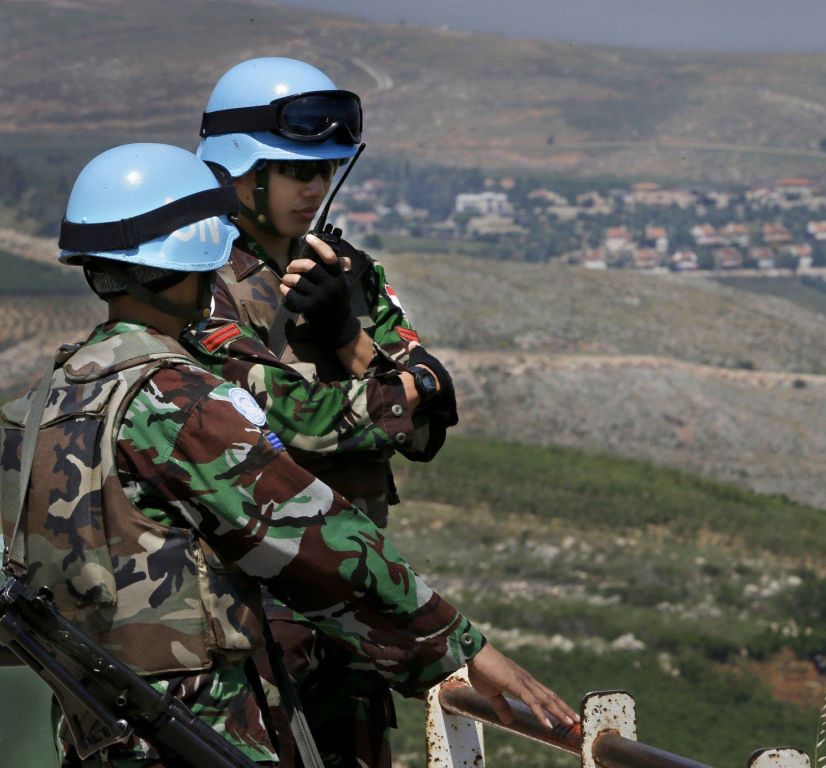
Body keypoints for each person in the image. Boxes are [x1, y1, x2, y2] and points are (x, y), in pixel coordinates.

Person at [0, 143, 577, 767]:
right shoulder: (179, 402)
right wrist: (463, 649)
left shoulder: (34, 409)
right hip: (201, 734)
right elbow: (322, 543)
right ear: (185, 263)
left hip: (92, 736)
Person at [192, 57, 458, 767]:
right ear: (242, 171)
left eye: (323, 171)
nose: (314, 188)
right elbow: (292, 418)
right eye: (293, 171)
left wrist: (348, 335)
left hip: (358, 597)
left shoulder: (347, 271)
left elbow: (431, 417)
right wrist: (391, 384)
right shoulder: (196, 281)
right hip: (254, 615)